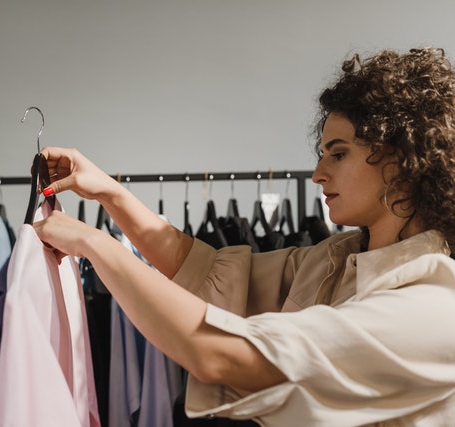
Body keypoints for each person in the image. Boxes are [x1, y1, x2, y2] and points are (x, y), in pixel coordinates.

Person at [33, 47, 455, 426]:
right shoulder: (337, 260)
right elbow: (208, 271)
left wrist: (94, 244)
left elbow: (221, 355)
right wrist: (109, 192)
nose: (317, 174)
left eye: (339, 154)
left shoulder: (433, 310)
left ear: (401, 160)